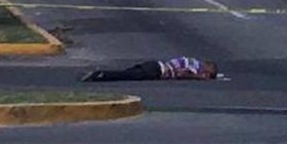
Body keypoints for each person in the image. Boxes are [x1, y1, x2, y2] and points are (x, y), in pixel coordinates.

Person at [80, 57, 218, 82]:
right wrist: (198, 77)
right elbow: (181, 74)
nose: (206, 74)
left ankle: (100, 74)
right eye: (208, 72)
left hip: (155, 66)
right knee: (127, 75)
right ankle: (99, 75)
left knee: (127, 74)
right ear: (207, 65)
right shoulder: (195, 65)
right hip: (156, 70)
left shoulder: (192, 62)